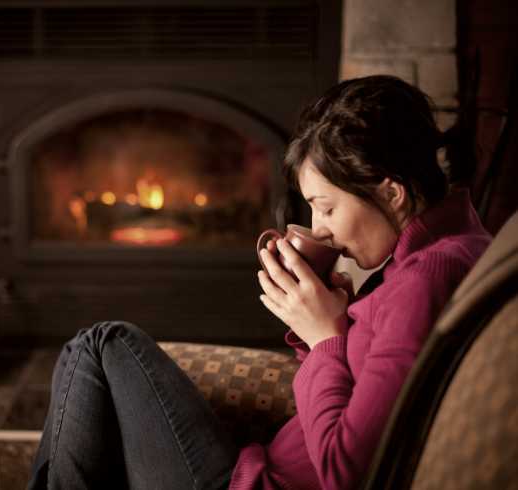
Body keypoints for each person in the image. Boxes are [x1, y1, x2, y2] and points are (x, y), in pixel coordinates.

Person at [26, 75, 492, 490]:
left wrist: (325, 337)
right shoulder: (448, 251)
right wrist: (324, 318)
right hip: (258, 466)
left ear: (391, 191)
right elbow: (355, 388)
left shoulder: (423, 279)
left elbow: (346, 471)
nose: (320, 227)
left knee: (99, 344)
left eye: (326, 206)